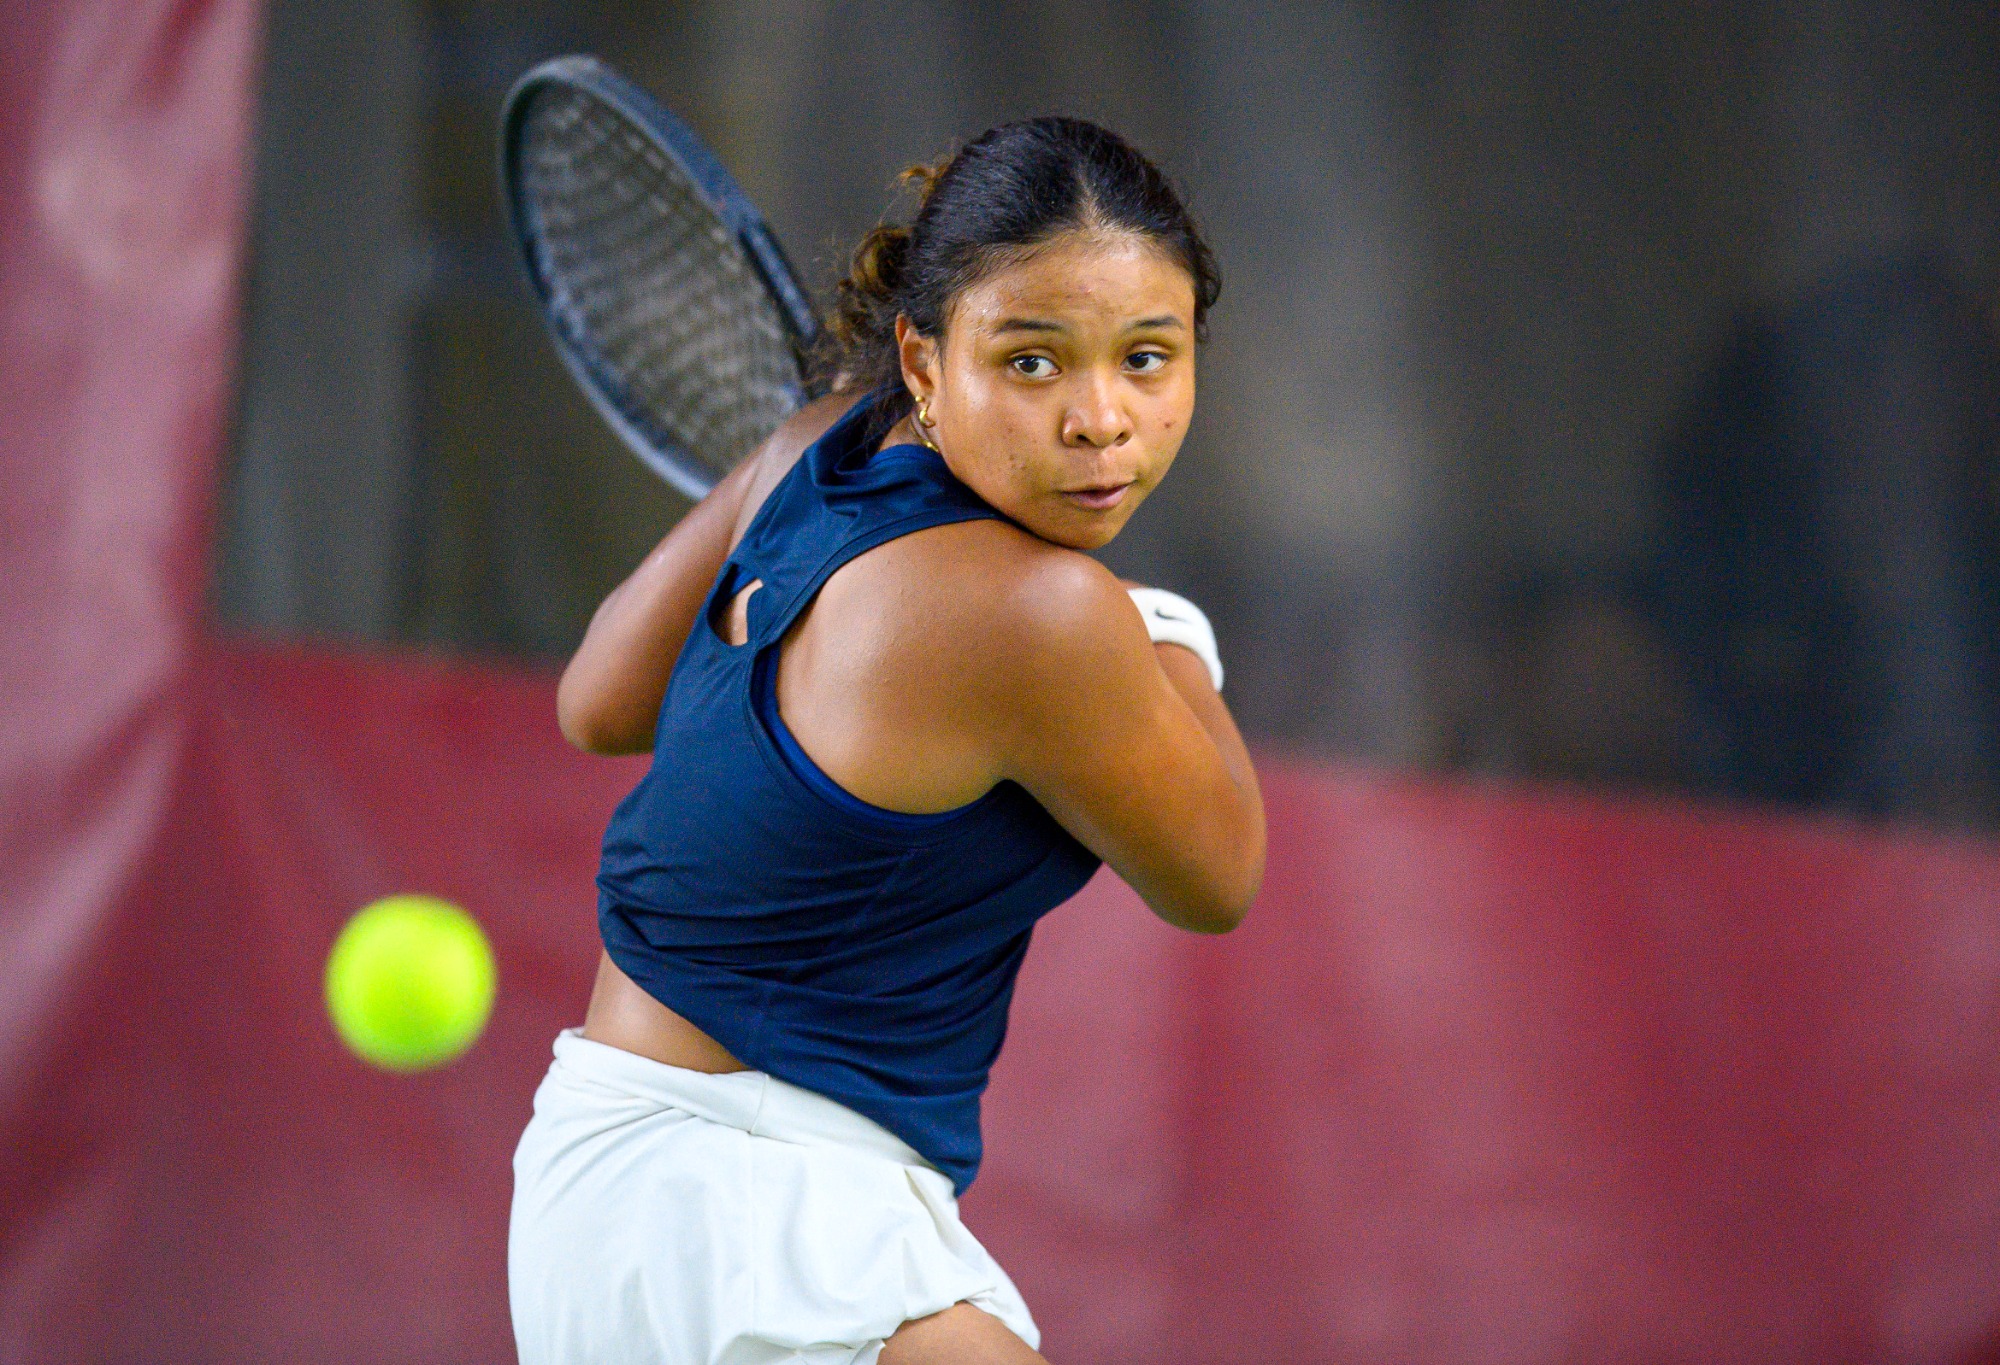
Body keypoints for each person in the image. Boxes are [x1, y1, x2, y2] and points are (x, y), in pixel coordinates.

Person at [509, 115, 1265, 1365]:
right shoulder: (1047, 617)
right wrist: (1163, 629)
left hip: (596, 1181)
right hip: (775, 1217)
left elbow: (596, 697)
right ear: (924, 357)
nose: (1099, 419)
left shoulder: (811, 447)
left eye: (1148, 356)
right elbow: (1216, 872)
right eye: (1031, 363)